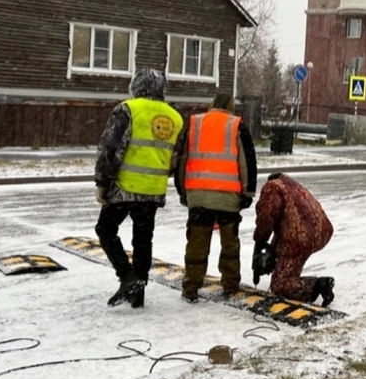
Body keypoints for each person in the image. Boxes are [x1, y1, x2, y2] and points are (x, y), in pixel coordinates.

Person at [94, 68, 183, 309]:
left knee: (105, 229)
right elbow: (176, 158)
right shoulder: (175, 117)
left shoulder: (128, 109)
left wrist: (102, 182)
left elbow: (111, 149)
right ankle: (138, 292)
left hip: (124, 187)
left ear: (137, 86)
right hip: (153, 190)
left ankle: (128, 277)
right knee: (143, 240)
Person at [173, 94, 257, 302]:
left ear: (211, 105)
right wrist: (247, 193)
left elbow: (181, 160)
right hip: (228, 198)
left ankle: (191, 286)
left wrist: (183, 191)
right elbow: (247, 161)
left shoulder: (194, 123)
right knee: (230, 244)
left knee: (197, 244)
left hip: (199, 197)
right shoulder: (237, 125)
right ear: (230, 107)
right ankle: (230, 284)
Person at [252, 172, 335, 306]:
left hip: (300, 237)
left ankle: (317, 285)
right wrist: (272, 249)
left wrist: (259, 241)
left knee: (279, 285)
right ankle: (301, 280)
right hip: (321, 232)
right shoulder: (294, 185)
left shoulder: (272, 187)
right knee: (287, 252)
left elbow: (266, 218)